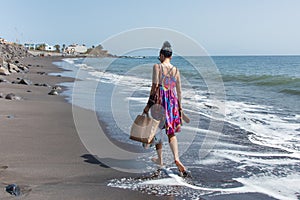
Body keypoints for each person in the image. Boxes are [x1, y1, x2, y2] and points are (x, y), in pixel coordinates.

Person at [144, 41, 189, 177]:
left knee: (157, 131)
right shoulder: (176, 70)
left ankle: (160, 159)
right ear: (171, 56)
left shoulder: (157, 67)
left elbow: (155, 87)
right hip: (172, 102)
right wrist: (179, 107)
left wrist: (148, 105)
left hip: (160, 102)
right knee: (171, 133)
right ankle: (177, 158)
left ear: (162, 55)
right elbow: (179, 91)